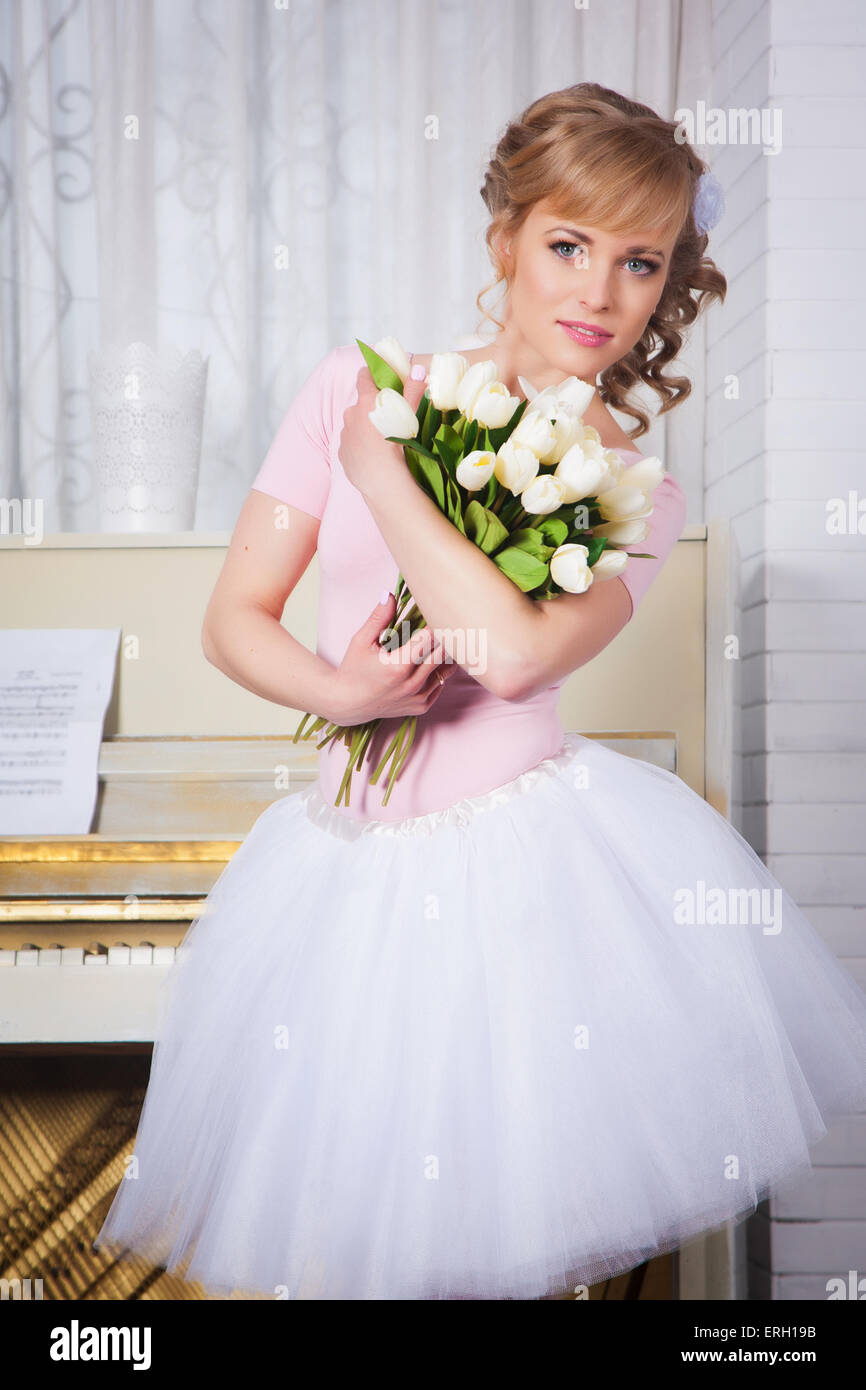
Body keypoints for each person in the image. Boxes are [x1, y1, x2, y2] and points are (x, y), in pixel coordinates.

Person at [92, 83, 866, 1301]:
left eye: (639, 263)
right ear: (503, 238)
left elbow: (506, 657)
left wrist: (388, 479)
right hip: (336, 882)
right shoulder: (352, 385)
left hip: (523, 898)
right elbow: (230, 621)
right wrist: (344, 694)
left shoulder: (630, 492)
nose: (599, 294)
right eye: (567, 244)